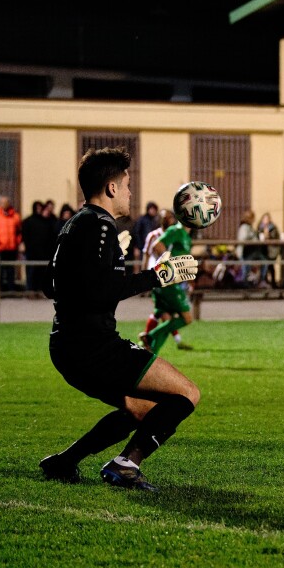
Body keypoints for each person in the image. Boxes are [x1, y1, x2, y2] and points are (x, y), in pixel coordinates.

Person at [39, 146, 199, 492]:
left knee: (141, 408)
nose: (129, 192)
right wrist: (160, 275)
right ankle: (126, 464)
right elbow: (102, 291)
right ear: (111, 188)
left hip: (68, 346)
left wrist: (112, 256)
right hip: (93, 347)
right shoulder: (99, 226)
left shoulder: (75, 225)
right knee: (187, 393)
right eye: (126, 184)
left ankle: (64, 462)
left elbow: (49, 284)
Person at [140, 213, 197, 353]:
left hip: (167, 281)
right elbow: (157, 245)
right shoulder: (175, 230)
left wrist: (189, 279)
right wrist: (171, 267)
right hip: (167, 282)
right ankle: (150, 336)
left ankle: (150, 353)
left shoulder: (185, 236)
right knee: (187, 318)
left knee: (167, 320)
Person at [21, 200, 58, 292]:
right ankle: (30, 291)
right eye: (37, 208)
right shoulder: (28, 221)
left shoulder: (48, 221)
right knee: (31, 272)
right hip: (31, 251)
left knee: (42, 272)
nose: (38, 210)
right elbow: (24, 236)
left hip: (44, 252)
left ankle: (40, 290)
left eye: (40, 208)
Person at [0, 195, 22, 291]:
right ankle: (0, 290)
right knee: (0, 271)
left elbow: (19, 232)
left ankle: (11, 289)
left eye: (5, 202)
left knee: (11, 270)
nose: (3, 205)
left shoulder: (15, 216)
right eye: (2, 203)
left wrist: (17, 241)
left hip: (12, 248)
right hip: (0, 248)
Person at [256, 212, 281, 287]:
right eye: (264, 219)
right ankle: (264, 280)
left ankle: (272, 282)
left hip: (271, 250)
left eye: (267, 219)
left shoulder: (273, 228)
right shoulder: (260, 228)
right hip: (262, 249)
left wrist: (268, 234)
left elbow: (275, 237)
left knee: (270, 266)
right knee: (264, 265)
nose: (266, 220)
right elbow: (257, 237)